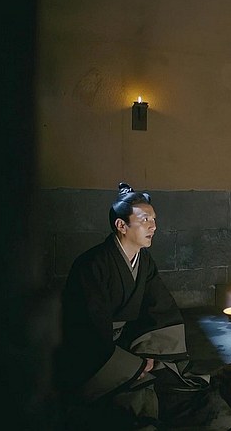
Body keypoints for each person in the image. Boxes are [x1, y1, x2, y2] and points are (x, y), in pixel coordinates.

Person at [54, 183, 210, 430]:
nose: (153, 226)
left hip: (127, 343)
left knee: (176, 382)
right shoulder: (92, 265)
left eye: (154, 219)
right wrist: (133, 365)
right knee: (131, 399)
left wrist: (150, 353)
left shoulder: (144, 260)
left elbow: (160, 306)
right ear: (121, 225)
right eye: (145, 219)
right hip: (95, 353)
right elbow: (89, 327)